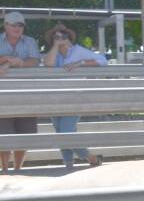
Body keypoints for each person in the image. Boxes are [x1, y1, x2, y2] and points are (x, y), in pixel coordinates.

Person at [42, 23, 106, 167]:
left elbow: (103, 60)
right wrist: (56, 46)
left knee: (65, 132)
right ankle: (68, 163)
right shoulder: (53, 52)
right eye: (56, 35)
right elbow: (48, 65)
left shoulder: (78, 51)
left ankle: (91, 158)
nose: (59, 37)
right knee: (60, 132)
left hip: (74, 98)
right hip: (55, 99)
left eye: (62, 35)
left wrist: (81, 63)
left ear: (68, 36)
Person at [0, 11, 42, 172]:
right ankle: (4, 171)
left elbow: (34, 61)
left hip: (27, 94)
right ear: (6, 25)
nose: (16, 28)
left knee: (25, 134)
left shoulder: (30, 41)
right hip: (2, 95)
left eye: (20, 25)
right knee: (3, 134)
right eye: (13, 24)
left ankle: (18, 169)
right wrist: (7, 59)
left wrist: (18, 63)